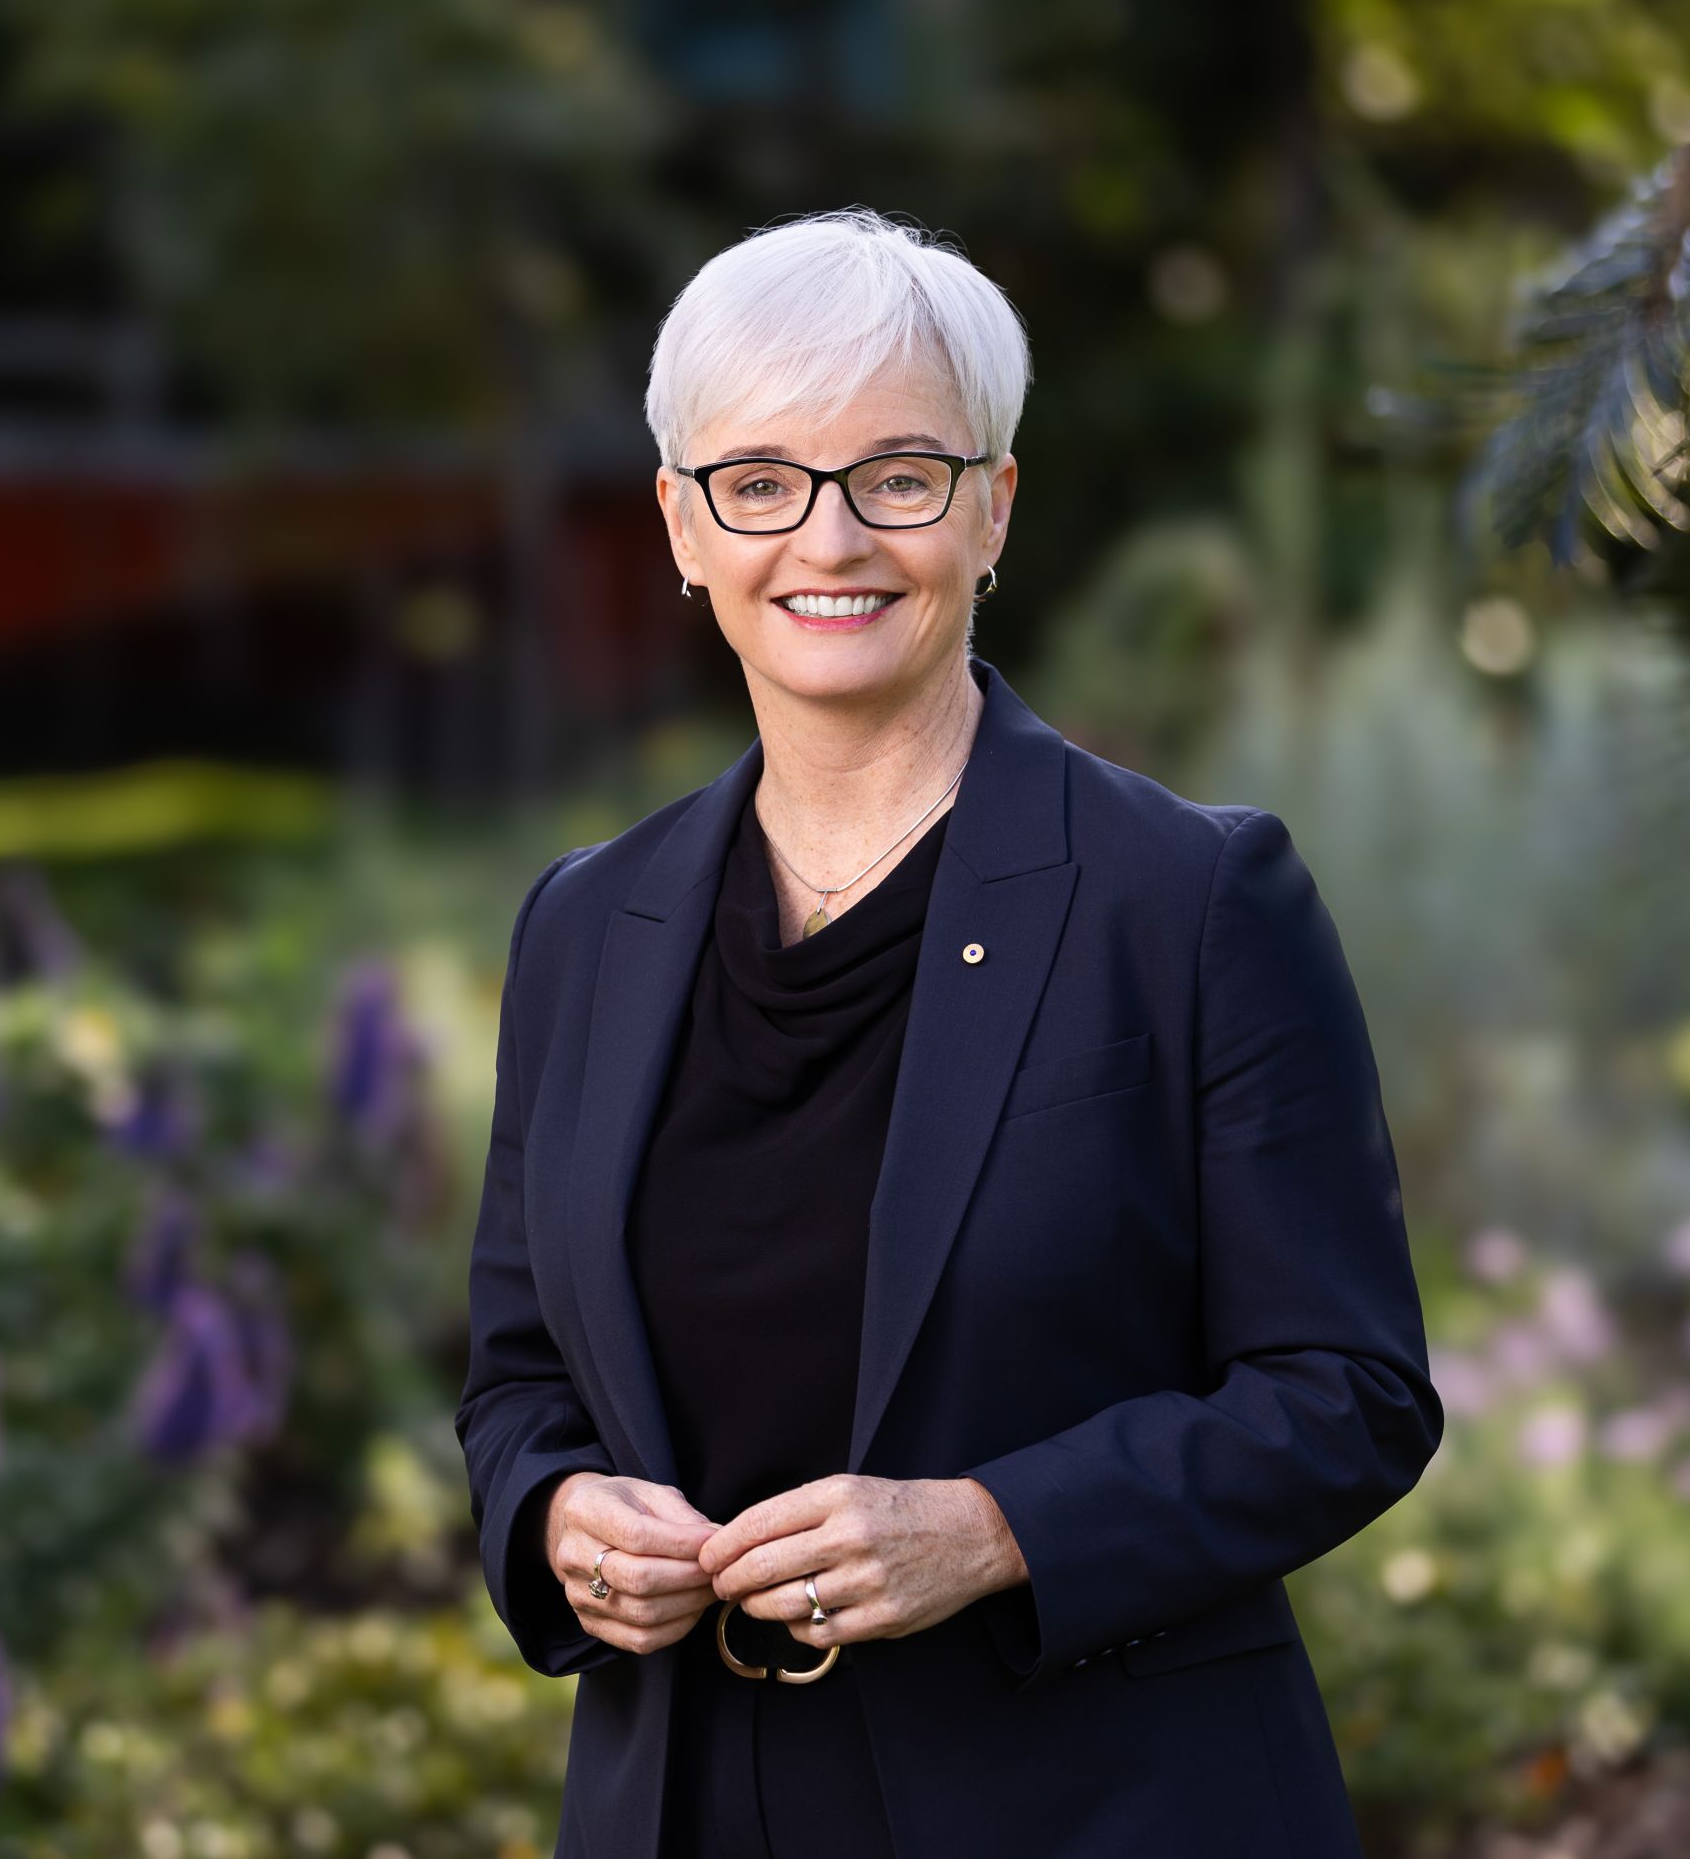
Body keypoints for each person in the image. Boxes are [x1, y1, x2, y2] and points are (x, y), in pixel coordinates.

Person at [454, 207, 1443, 1859]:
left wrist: (993, 1528)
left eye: (896, 476)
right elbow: (514, 1375)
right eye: (758, 481)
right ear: (681, 529)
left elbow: (1346, 1390)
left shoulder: (1189, 896)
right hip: (680, 1806)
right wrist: (552, 1510)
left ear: (990, 508)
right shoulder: (582, 923)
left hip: (1096, 1808)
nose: (826, 539)